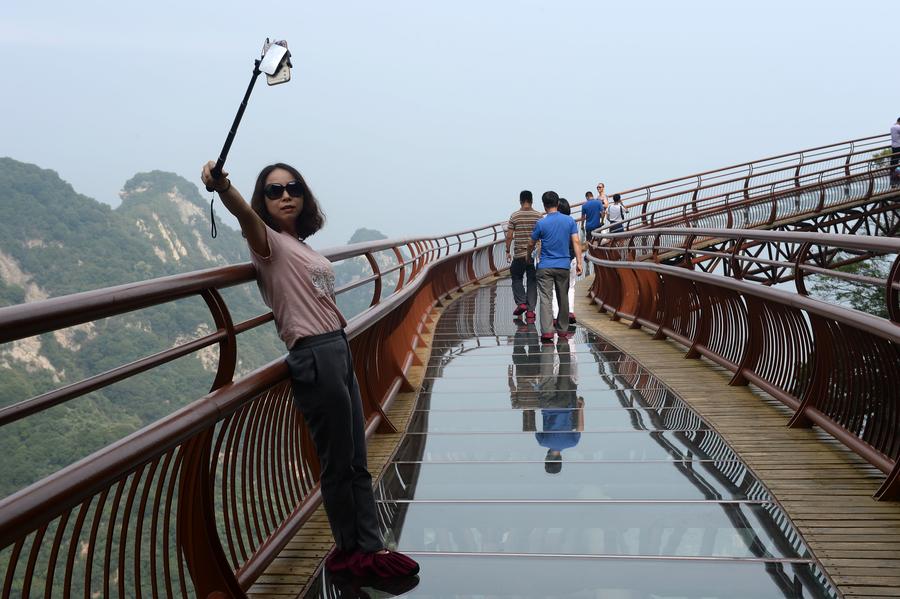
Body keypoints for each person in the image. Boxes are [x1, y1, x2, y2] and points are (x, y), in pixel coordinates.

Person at [200, 161, 419, 580]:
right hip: (313, 354)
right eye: (274, 190)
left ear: (304, 195)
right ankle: (353, 552)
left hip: (337, 346)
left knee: (356, 456)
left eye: (293, 188)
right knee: (338, 461)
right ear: (261, 201)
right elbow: (244, 217)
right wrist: (223, 186)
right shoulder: (266, 241)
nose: (285, 195)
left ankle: (367, 547)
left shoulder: (296, 242)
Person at [527, 191, 583, 343]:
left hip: (545, 266)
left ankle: (547, 332)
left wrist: (527, 256)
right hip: (564, 265)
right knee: (562, 296)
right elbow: (576, 242)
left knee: (545, 298)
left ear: (544, 206)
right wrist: (579, 262)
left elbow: (531, 243)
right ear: (558, 204)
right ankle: (563, 330)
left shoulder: (541, 223)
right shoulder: (569, 221)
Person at [535, 338, 583, 474]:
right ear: (547, 458)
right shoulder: (542, 442)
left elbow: (580, 427)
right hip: (548, 405)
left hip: (565, 404)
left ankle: (563, 340)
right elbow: (533, 427)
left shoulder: (572, 443)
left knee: (564, 371)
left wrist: (581, 408)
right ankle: (548, 345)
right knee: (547, 373)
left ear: (561, 460)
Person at [505, 190, 542, 321]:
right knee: (532, 281)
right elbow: (542, 235)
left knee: (516, 277)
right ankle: (531, 311)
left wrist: (507, 251)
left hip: (519, 254)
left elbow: (509, 236)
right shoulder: (538, 216)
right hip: (534, 255)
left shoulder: (515, 216)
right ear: (532, 200)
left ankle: (521, 303)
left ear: (520, 201)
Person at [552, 198, 577, 327]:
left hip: (557, 260)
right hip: (571, 258)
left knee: (555, 289)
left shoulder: (554, 223)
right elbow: (576, 242)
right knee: (571, 287)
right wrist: (579, 261)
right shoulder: (572, 222)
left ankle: (556, 315)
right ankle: (570, 312)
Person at [891, 117, 900, 187]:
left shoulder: (892, 127)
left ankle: (893, 183)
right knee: (896, 163)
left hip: (894, 146)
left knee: (894, 163)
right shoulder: (898, 127)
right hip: (899, 146)